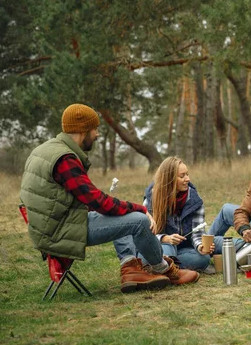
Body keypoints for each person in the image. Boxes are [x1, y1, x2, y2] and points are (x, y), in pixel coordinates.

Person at [19, 104, 199, 294]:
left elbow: (75, 199)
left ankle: (130, 268)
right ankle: (166, 270)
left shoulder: (45, 151)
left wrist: (122, 208)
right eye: (95, 129)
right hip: (61, 231)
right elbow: (96, 201)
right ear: (83, 130)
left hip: (51, 225)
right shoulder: (64, 159)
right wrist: (141, 209)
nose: (97, 134)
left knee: (119, 212)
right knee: (137, 220)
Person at [114, 157, 214, 272]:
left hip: (180, 250)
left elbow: (197, 233)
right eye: (182, 176)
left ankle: (162, 268)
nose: (188, 179)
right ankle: (168, 267)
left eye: (187, 174)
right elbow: (143, 234)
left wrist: (200, 246)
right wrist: (165, 238)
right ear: (169, 179)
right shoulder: (151, 199)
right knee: (167, 248)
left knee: (203, 259)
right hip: (153, 250)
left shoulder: (195, 200)